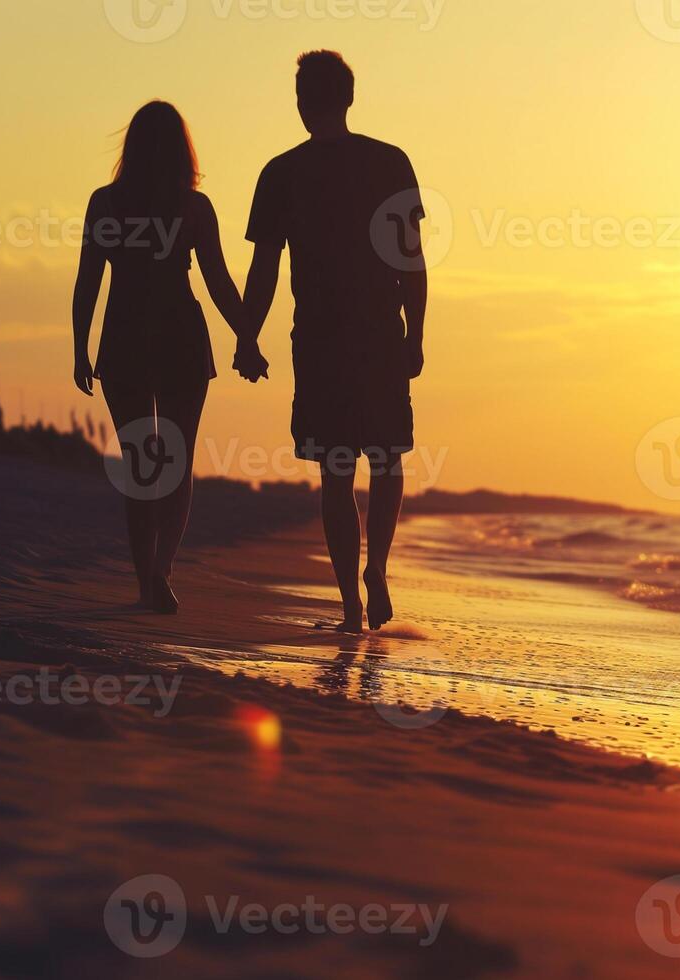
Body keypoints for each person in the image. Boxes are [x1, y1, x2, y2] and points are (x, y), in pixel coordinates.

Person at [237, 50, 428, 635]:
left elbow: (264, 269)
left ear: (301, 104)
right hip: (378, 334)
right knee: (387, 459)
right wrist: (415, 335)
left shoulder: (281, 173)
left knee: (336, 470)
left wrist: (248, 337)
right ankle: (377, 568)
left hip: (319, 341)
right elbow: (411, 262)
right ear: (349, 99)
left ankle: (349, 605)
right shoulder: (390, 162)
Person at [71, 101, 247, 614]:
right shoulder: (193, 207)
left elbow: (89, 281)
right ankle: (161, 568)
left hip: (124, 338)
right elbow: (216, 281)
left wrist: (80, 346)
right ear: (182, 150)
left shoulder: (106, 204)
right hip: (178, 338)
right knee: (176, 461)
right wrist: (247, 336)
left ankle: (147, 578)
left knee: (140, 466)